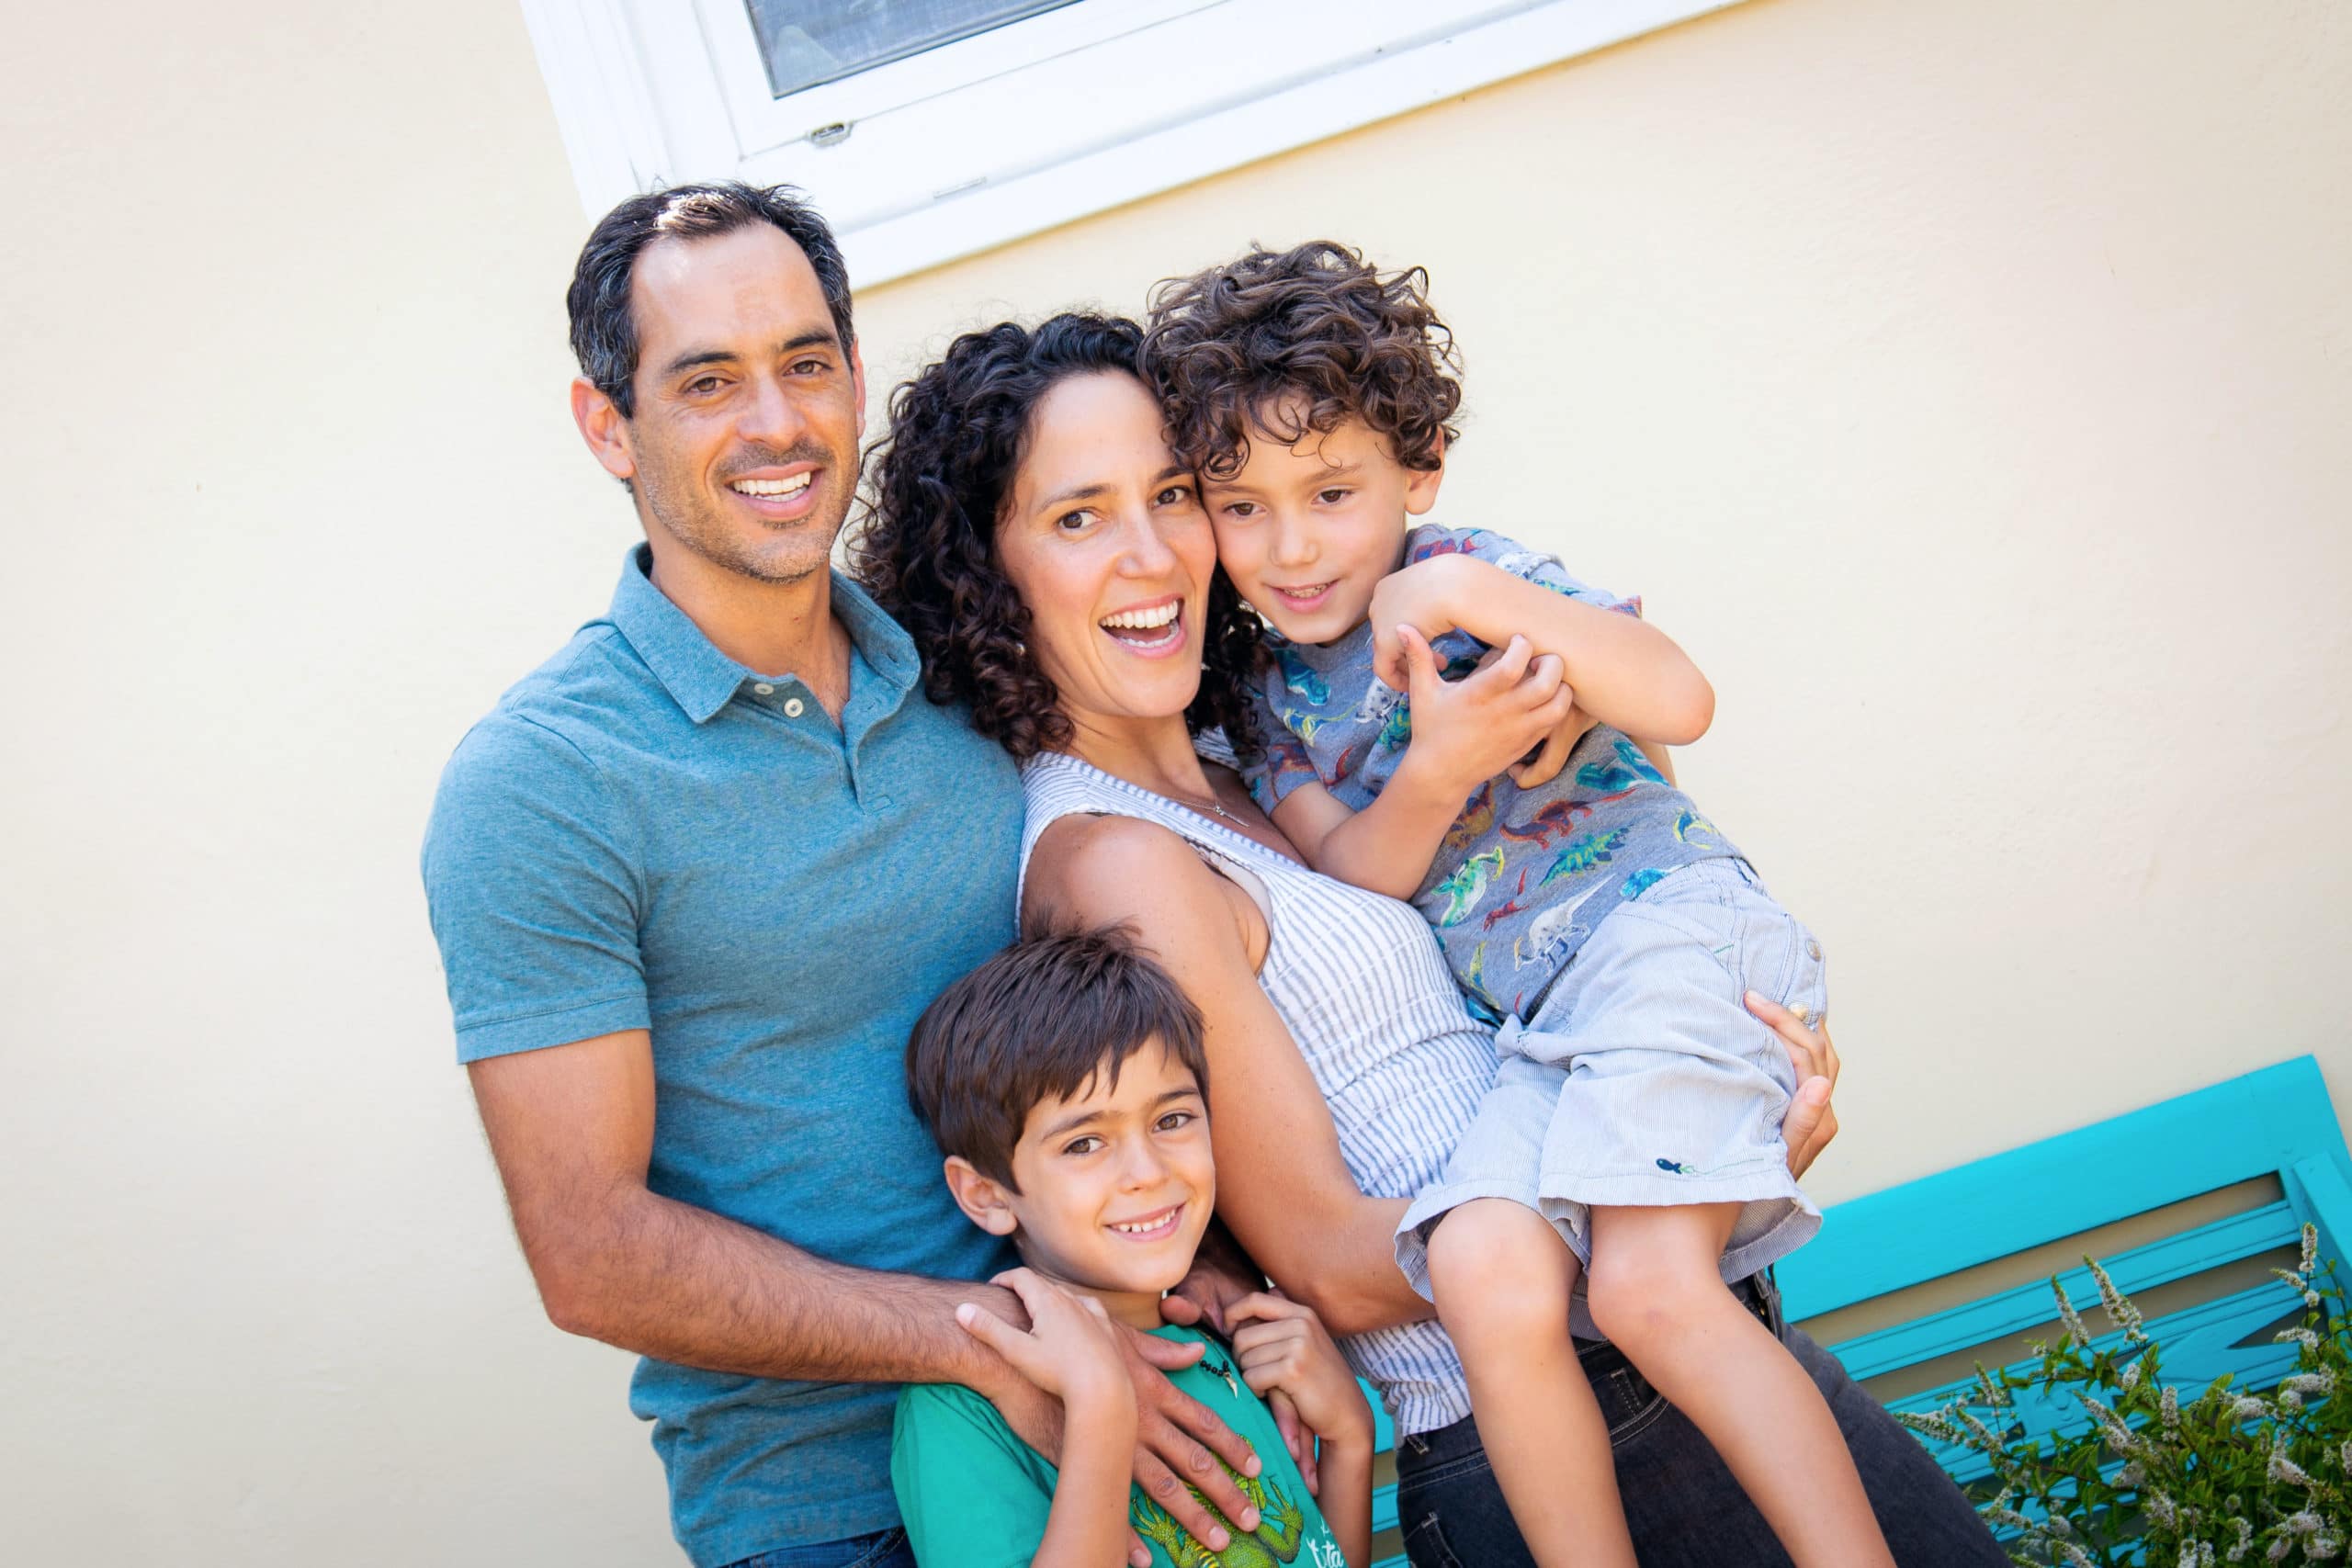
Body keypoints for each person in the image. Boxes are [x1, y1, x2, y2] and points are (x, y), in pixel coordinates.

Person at [852, 309, 2006, 1567]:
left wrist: (1699, 1086)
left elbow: (1604, 822)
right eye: (1078, 517)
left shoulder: (1267, 751)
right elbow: (1339, 1267)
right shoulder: (1114, 857)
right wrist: (1660, 1165)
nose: (1152, 554)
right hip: (1566, 1426)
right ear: (990, 568)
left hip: (1678, 1345)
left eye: (1175, 494)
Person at [421, 184, 1271, 1568]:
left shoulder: (967, 676)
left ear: (853, 380)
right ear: (605, 424)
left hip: (1140, 1419)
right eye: (707, 380)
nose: (775, 421)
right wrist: (982, 1343)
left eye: (806, 363)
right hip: (826, 1505)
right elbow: (589, 1246)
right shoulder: (543, 781)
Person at [1140, 240, 1891, 1567]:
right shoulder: (1257, 703)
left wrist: (1475, 594)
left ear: (1417, 472)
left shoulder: (1472, 571)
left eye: (1332, 491)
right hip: (1543, 1029)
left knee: (1649, 1286)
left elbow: (1680, 700)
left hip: (1666, 937)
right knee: (1485, 1267)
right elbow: (1356, 875)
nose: (1292, 544)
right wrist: (1441, 765)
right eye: (1240, 505)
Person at [893, 928, 1371, 1568]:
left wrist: (1349, 1442)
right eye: (1084, 1143)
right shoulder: (959, 1407)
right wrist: (1099, 1407)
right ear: (987, 1194)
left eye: (1171, 1119)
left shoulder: (1230, 1351)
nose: (1147, 1170)